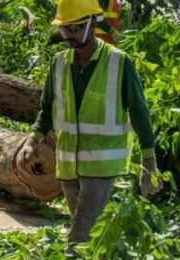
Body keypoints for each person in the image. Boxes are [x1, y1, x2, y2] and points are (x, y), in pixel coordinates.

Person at [17, 0, 160, 244]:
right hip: (68, 167)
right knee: (88, 232)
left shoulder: (119, 63)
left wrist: (149, 163)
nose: (68, 35)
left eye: (74, 28)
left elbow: (139, 113)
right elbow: (47, 110)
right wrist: (31, 141)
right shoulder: (59, 64)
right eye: (64, 29)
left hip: (102, 166)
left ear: (92, 23)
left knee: (80, 231)